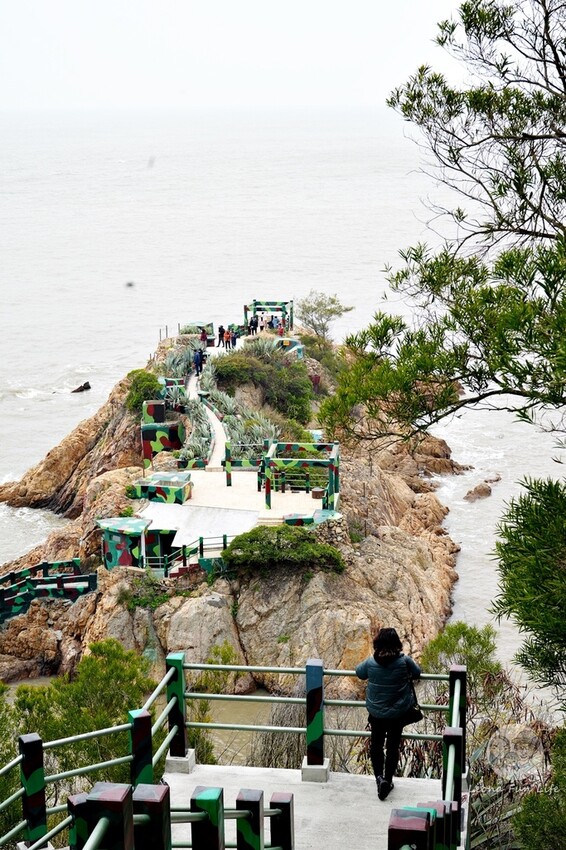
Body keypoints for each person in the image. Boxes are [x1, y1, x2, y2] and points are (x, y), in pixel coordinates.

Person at [356, 627, 421, 801]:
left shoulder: (371, 662)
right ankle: (388, 780)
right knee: (393, 747)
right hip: (397, 714)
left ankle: (379, 779)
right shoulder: (404, 661)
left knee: (376, 746)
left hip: (376, 714)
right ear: (397, 643)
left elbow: (359, 673)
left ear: (378, 643)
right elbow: (417, 673)